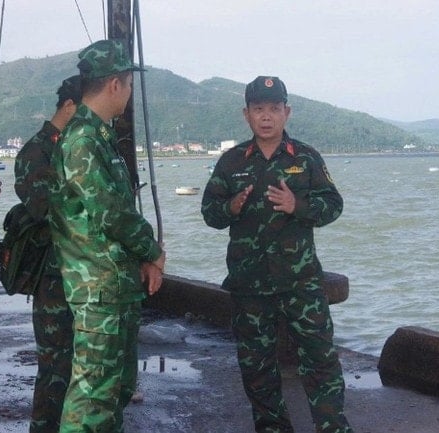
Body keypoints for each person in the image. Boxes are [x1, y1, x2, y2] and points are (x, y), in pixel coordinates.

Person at [201, 76, 353, 433]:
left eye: (273, 109)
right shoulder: (231, 161)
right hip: (250, 285)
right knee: (257, 367)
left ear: (287, 112)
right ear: (246, 115)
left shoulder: (306, 158)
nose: (266, 117)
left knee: (320, 360)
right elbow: (210, 212)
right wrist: (231, 208)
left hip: (300, 282)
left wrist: (296, 204)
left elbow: (333, 205)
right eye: (258, 109)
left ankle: (333, 427)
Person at [48, 39, 165, 433]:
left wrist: (144, 257)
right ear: (116, 84)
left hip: (115, 285)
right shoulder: (83, 140)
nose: (129, 94)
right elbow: (110, 211)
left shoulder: (99, 137)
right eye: (129, 85)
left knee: (115, 390)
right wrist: (153, 250)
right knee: (93, 395)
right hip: (97, 288)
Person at [14, 75, 81, 433]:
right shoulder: (38, 151)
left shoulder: (81, 146)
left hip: (86, 274)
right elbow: (47, 208)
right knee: (56, 367)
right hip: (55, 277)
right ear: (69, 107)